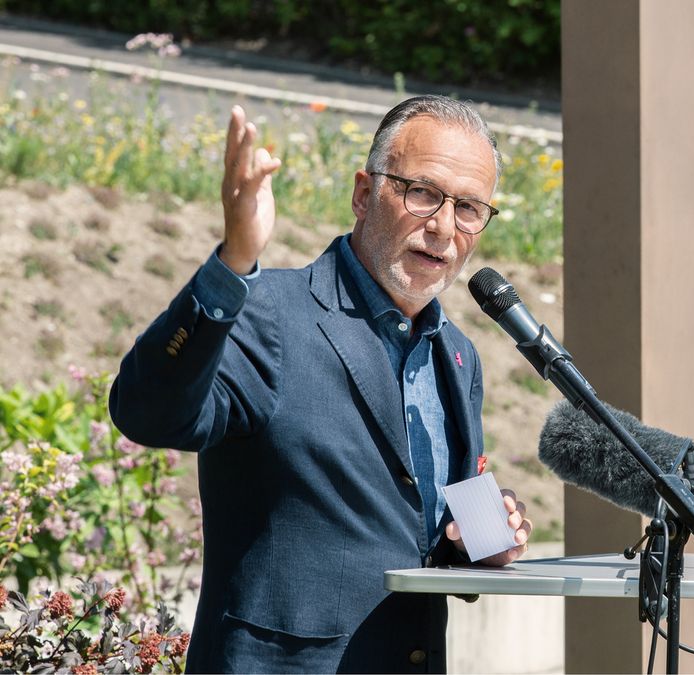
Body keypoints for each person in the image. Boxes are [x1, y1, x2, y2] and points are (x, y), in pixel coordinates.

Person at [109, 95, 534, 673]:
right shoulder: (268, 313)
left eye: (469, 208)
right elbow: (146, 412)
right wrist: (232, 264)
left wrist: (480, 542)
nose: (443, 227)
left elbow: (419, 532)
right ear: (364, 194)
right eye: (423, 193)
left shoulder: (457, 356)